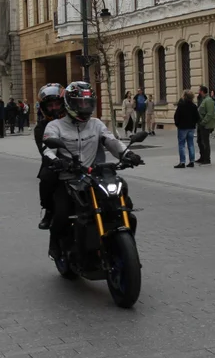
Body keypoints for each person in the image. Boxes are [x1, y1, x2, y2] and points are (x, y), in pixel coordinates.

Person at [42, 82, 141, 261]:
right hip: (68, 178)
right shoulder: (55, 126)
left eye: (87, 103)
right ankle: (55, 244)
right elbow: (48, 149)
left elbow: (111, 141)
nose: (84, 107)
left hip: (95, 176)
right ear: (70, 104)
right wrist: (57, 161)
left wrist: (128, 154)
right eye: (80, 103)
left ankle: (123, 246)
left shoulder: (95, 124)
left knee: (125, 203)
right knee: (62, 213)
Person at [34, 84, 65, 230]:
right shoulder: (42, 127)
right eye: (50, 105)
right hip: (56, 164)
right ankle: (49, 211)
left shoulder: (74, 121)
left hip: (82, 161)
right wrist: (56, 160)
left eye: (57, 104)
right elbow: (45, 150)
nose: (54, 108)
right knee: (47, 177)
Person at [173, 90, 199, 168]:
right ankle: (192, 161)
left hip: (182, 127)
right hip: (191, 127)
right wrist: (193, 123)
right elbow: (197, 117)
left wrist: (177, 124)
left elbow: (176, 116)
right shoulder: (194, 106)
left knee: (181, 144)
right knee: (191, 144)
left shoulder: (181, 105)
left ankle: (182, 162)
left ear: (184, 96)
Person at [196, 86, 215, 165]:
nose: (198, 92)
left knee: (205, 142)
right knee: (199, 141)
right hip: (200, 123)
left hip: (205, 125)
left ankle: (207, 158)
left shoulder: (208, 100)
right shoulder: (203, 100)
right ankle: (202, 156)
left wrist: (203, 122)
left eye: (199, 90)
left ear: (202, 91)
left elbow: (210, 113)